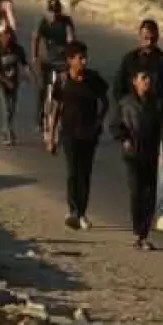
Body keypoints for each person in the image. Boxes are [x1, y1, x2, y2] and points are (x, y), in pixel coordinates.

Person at [114, 20, 163, 233]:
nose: (149, 41)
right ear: (139, 36)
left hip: (160, 122)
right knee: (138, 180)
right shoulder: (129, 60)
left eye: (152, 37)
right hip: (135, 126)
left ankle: (162, 212)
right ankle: (140, 219)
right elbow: (118, 91)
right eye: (145, 37)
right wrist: (128, 114)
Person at [47, 41, 109, 230]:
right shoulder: (63, 80)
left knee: (85, 173)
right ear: (70, 60)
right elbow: (56, 108)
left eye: (84, 57)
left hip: (89, 134)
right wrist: (51, 136)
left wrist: (99, 121)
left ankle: (82, 212)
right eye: (79, 58)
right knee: (73, 171)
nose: (84, 61)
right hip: (69, 133)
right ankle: (72, 210)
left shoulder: (93, 79)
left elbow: (105, 102)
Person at [110, 70, 163, 250]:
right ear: (134, 81)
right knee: (136, 191)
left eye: (149, 78)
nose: (147, 81)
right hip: (132, 155)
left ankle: (143, 234)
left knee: (150, 194)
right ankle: (138, 230)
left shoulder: (157, 104)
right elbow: (114, 125)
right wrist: (125, 139)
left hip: (151, 153)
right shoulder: (125, 104)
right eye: (143, 78)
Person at [32, 0, 76, 131]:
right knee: (41, 88)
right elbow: (35, 38)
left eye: (56, 12)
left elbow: (70, 39)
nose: (53, 15)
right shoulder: (42, 21)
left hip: (61, 61)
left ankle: (62, 118)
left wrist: (71, 56)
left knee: (65, 89)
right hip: (44, 60)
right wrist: (34, 57)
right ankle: (39, 120)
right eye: (51, 12)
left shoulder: (66, 21)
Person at [0, 25, 35, 146]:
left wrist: (29, 75)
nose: (8, 36)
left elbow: (24, 64)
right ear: (0, 36)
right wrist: (5, 81)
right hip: (1, 82)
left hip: (14, 83)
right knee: (6, 109)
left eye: (9, 34)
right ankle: (9, 134)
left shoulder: (17, 49)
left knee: (12, 109)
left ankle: (5, 131)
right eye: (5, 34)